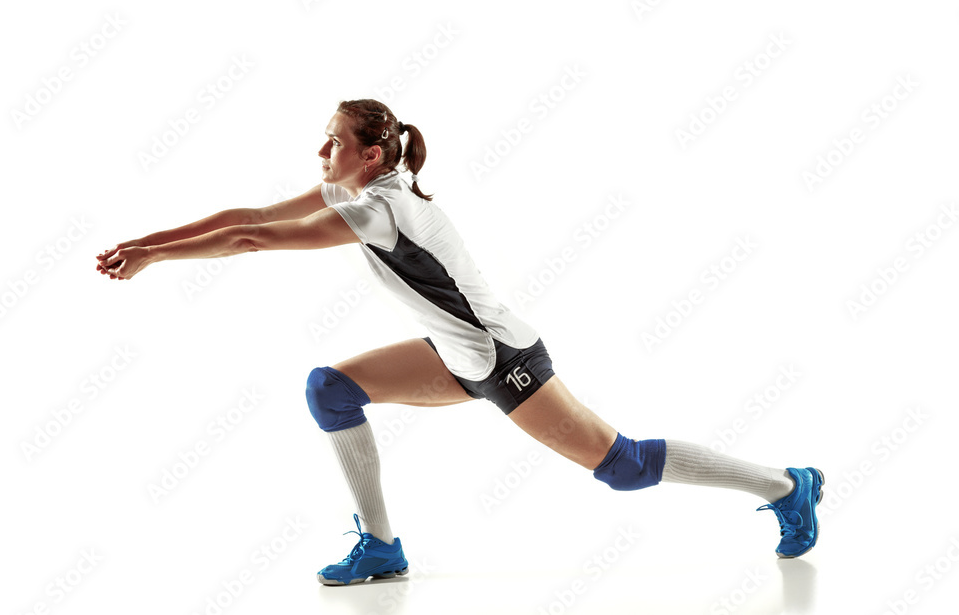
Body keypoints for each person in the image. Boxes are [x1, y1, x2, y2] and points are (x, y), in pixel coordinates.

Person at [95, 98, 824, 587]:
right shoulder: (357, 192)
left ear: (375, 155)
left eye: (335, 142)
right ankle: (382, 547)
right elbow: (248, 212)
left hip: (506, 362)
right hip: (456, 355)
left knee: (625, 466)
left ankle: (789, 484)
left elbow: (252, 238)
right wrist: (142, 242)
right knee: (332, 387)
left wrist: (155, 259)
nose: (321, 151)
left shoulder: (383, 208)